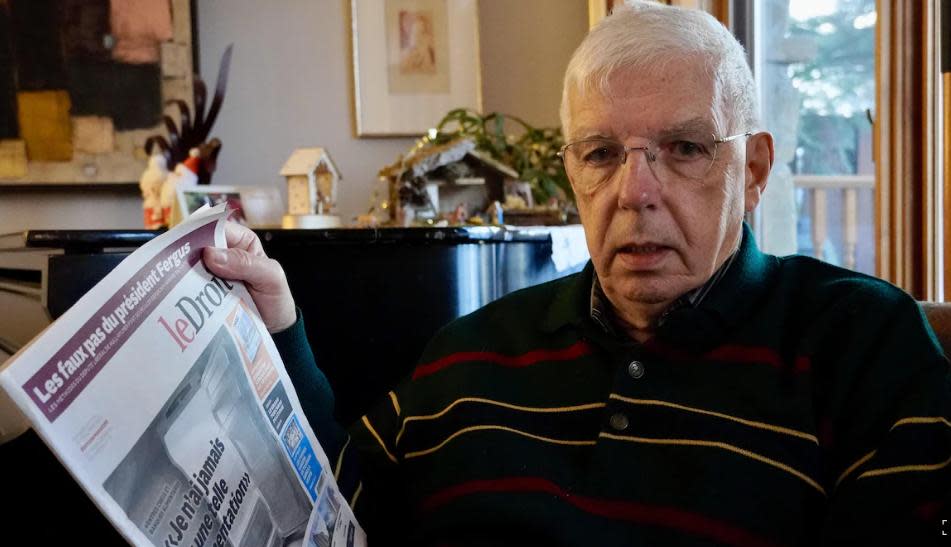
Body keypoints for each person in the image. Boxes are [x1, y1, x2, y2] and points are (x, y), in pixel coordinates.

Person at [205, 3, 950, 545]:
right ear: (572, 173)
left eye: (685, 148)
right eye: (600, 154)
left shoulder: (863, 344)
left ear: (751, 169)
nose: (634, 190)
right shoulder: (471, 353)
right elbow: (340, 507)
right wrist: (278, 334)